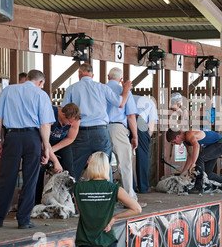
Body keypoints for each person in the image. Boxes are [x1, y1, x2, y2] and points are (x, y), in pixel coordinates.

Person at [0, 70, 55, 229]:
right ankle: (23, 220)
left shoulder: (9, 90)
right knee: (30, 179)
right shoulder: (41, 95)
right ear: (40, 83)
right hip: (32, 138)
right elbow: (45, 125)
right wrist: (45, 147)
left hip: (12, 137)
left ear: (27, 79)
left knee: (6, 178)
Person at [61, 63, 131, 182]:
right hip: (100, 132)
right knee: (104, 166)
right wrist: (126, 89)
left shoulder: (72, 88)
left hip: (79, 133)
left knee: (74, 169)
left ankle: (71, 197)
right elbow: (121, 103)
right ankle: (106, 195)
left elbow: (65, 112)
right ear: (92, 75)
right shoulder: (102, 88)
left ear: (79, 74)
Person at [74, 151, 142, 247]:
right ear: (107, 167)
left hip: (86, 246)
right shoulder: (114, 188)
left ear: (90, 166)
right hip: (107, 243)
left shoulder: (78, 188)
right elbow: (137, 209)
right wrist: (114, 218)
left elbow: (81, 211)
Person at [35, 103, 81, 204]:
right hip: (44, 141)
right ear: (64, 115)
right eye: (69, 122)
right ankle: (36, 202)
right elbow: (44, 142)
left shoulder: (75, 121)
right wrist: (54, 160)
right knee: (40, 168)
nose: (70, 124)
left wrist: (52, 150)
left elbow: (70, 138)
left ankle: (74, 203)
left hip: (61, 143)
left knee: (69, 168)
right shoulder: (51, 113)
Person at [106, 67, 140, 203]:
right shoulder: (124, 91)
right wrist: (135, 136)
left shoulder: (101, 89)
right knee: (125, 164)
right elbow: (131, 116)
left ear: (108, 77)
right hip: (118, 128)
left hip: (101, 128)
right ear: (121, 80)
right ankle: (129, 199)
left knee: (104, 164)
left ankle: (105, 197)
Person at [166, 128, 222, 194]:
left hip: (219, 144)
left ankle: (198, 187)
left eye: (174, 142)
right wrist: (182, 175)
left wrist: (193, 163)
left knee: (199, 158)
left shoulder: (189, 134)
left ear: (178, 136)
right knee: (208, 173)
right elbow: (190, 157)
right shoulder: (186, 142)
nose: (175, 144)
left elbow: (196, 146)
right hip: (213, 146)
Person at [132, 95, 158, 194]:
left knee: (126, 156)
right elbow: (151, 124)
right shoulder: (151, 104)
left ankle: (131, 186)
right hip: (139, 121)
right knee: (143, 155)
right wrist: (147, 139)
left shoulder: (131, 96)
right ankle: (143, 187)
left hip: (125, 120)